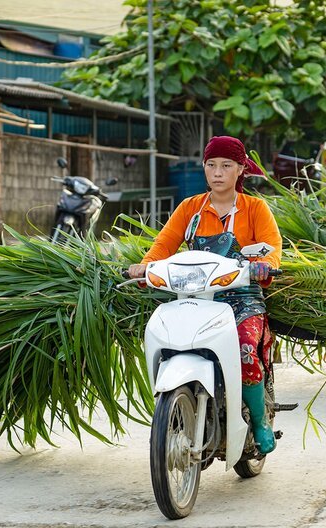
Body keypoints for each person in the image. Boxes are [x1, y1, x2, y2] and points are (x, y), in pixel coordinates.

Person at [128, 136, 282, 454]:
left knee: (244, 350)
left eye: (226, 166)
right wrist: (144, 267)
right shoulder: (190, 208)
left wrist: (264, 266)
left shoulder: (255, 208)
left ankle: (258, 421)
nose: (218, 172)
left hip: (242, 299)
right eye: (211, 165)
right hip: (195, 297)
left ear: (241, 169)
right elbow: (163, 245)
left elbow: (272, 247)